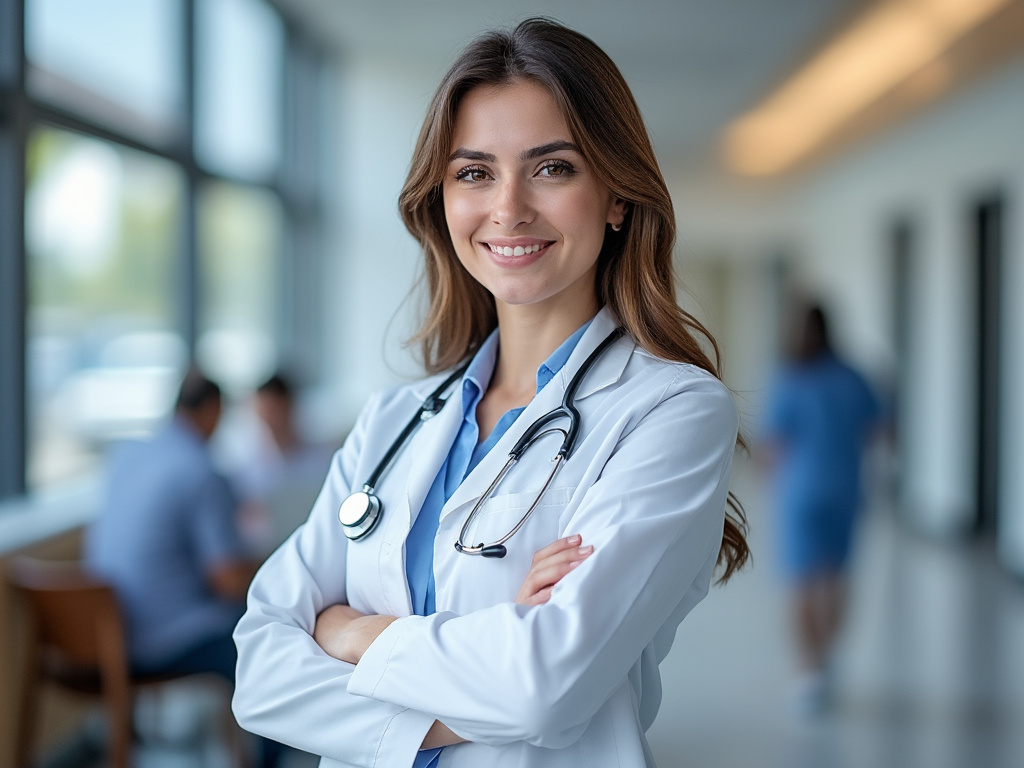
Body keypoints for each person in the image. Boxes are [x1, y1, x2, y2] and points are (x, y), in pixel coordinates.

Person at [232, 18, 749, 767]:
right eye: (474, 172)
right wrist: (493, 651)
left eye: (552, 168)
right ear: (441, 200)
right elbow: (258, 674)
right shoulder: (393, 422)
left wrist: (350, 632)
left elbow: (542, 687)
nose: (508, 209)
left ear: (616, 195)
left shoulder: (671, 411)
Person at [84, 367, 284, 767]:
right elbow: (227, 581)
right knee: (268, 642)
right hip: (154, 639)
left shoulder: (128, 453)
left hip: (97, 629)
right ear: (210, 410)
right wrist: (273, 563)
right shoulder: (199, 470)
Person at [759, 302, 881, 716]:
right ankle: (825, 661)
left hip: (800, 493)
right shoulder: (853, 377)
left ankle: (808, 670)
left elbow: (773, 443)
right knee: (835, 578)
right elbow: (879, 428)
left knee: (800, 582)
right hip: (845, 489)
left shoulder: (792, 377)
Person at [224, 371, 335, 554]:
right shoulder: (243, 468)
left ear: (290, 408)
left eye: (275, 412)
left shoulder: (321, 460)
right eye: (264, 415)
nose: (270, 423)